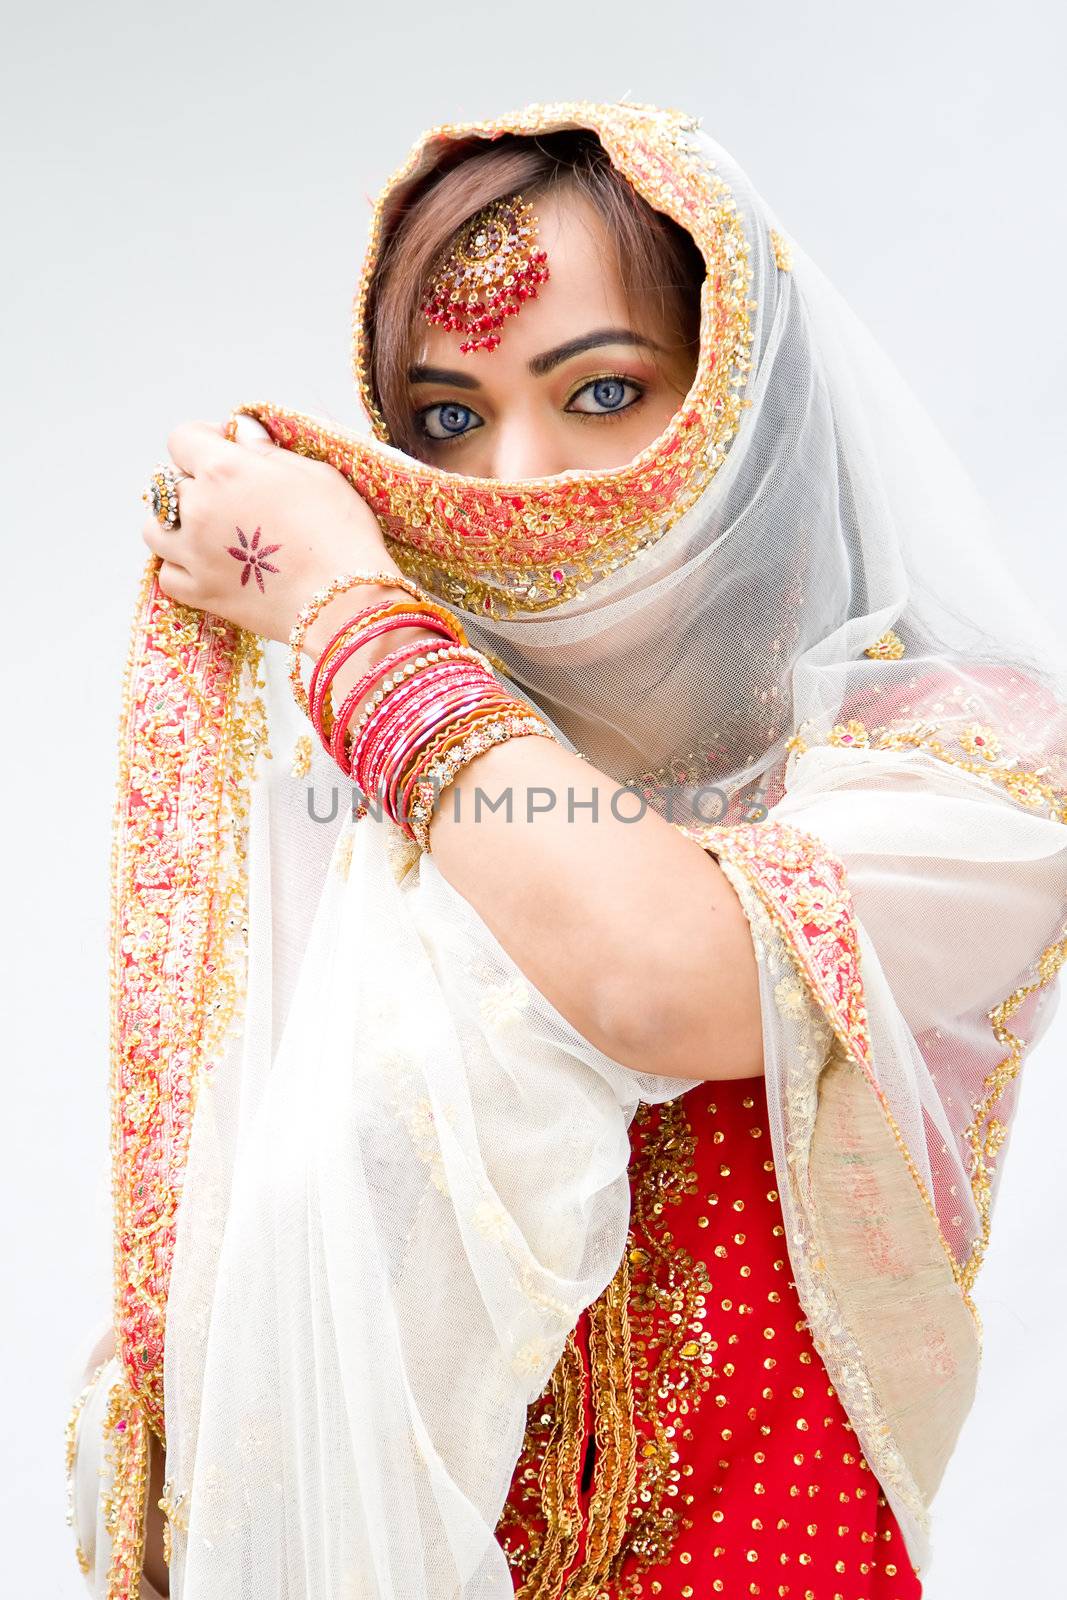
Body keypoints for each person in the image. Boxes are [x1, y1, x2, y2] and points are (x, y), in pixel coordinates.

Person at [65, 101, 1067, 1600]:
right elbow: (243, 1326)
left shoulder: (955, 759)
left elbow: (664, 976)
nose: (514, 481)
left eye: (602, 391)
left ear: (746, 396)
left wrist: (340, 608)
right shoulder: (388, 822)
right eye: (447, 421)